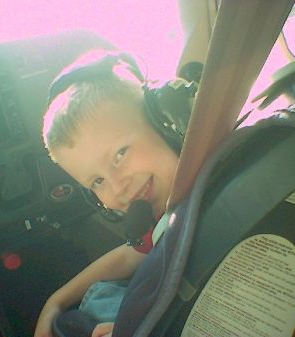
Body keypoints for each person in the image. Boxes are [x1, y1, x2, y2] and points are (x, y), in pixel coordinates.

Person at [34, 49, 196, 337]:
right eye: (97, 181)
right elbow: (132, 254)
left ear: (165, 120)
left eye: (120, 154)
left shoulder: (211, 190)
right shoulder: (163, 216)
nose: (118, 187)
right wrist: (54, 301)